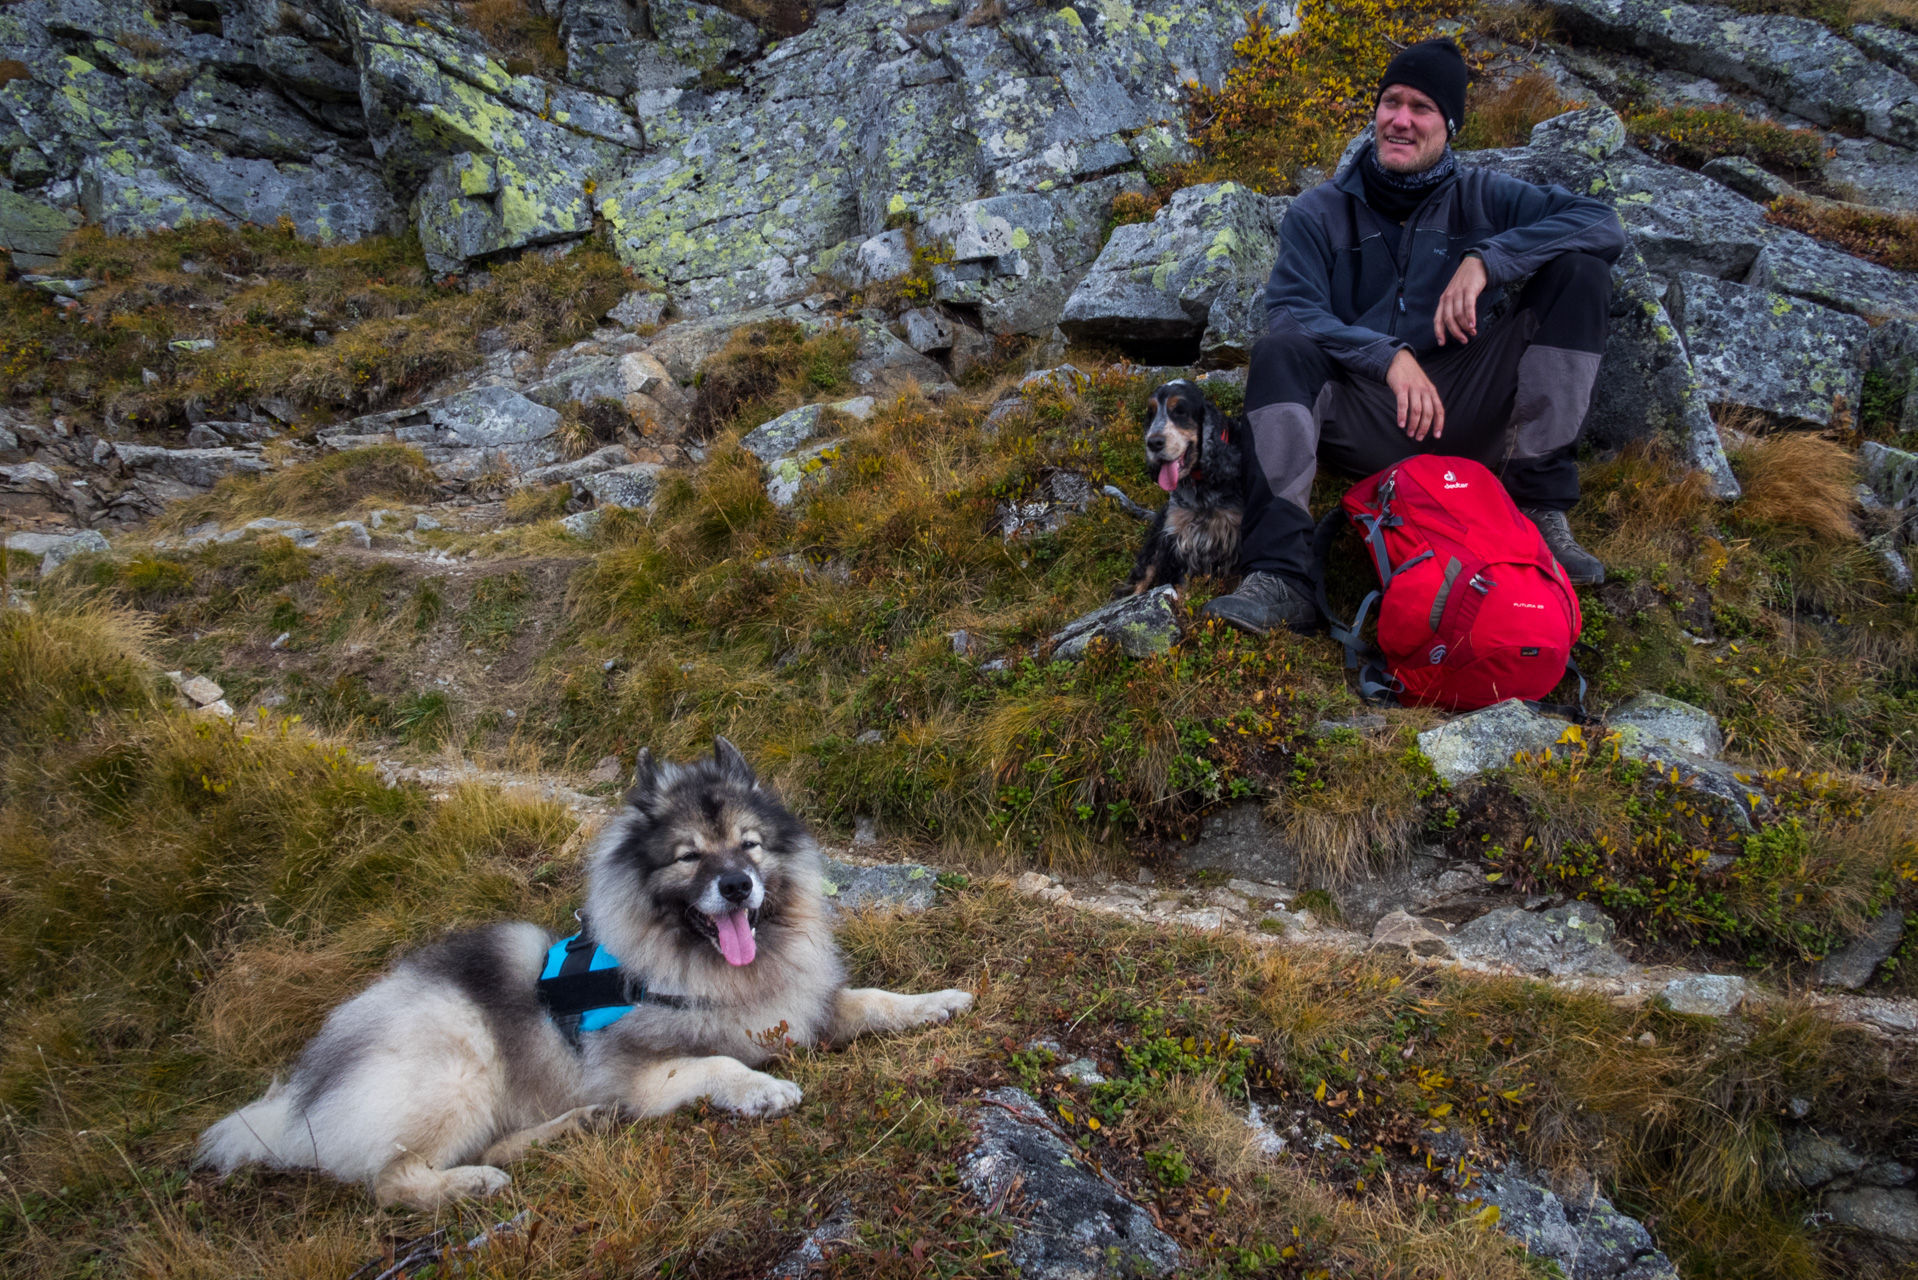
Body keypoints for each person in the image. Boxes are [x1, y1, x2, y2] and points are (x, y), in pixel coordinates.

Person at [1202, 39, 1626, 636]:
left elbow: (1601, 224)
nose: (1401, 119)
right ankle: (1281, 577)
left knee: (1579, 273)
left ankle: (1537, 509)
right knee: (1280, 353)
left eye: (1421, 107)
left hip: (1474, 404)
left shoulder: (1486, 195)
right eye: (1390, 102)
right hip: (1370, 416)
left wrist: (1489, 259)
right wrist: (1387, 356)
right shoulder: (1317, 213)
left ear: (1448, 126)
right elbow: (1295, 312)